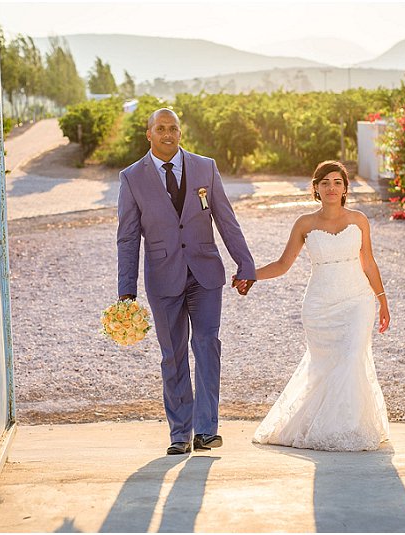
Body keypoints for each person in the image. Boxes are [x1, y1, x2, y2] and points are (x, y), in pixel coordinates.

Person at [117, 108, 256, 455]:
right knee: (173, 355)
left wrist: (245, 262)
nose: (168, 134)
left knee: (207, 344)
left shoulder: (205, 167)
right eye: (161, 128)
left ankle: (206, 430)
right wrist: (126, 290)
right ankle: (180, 433)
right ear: (148, 134)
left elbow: (226, 219)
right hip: (163, 278)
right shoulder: (132, 178)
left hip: (205, 273)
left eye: (173, 128)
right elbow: (128, 237)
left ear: (181, 133)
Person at [241, 160, 390, 451]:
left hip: (357, 301)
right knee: (326, 366)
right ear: (316, 188)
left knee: (352, 357)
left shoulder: (359, 219)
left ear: (345, 188)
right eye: (325, 183)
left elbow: (369, 262)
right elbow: (283, 264)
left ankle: (350, 427)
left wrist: (382, 299)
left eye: (337, 182)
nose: (331, 187)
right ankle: (324, 427)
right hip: (320, 306)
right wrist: (251, 275)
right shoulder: (304, 224)